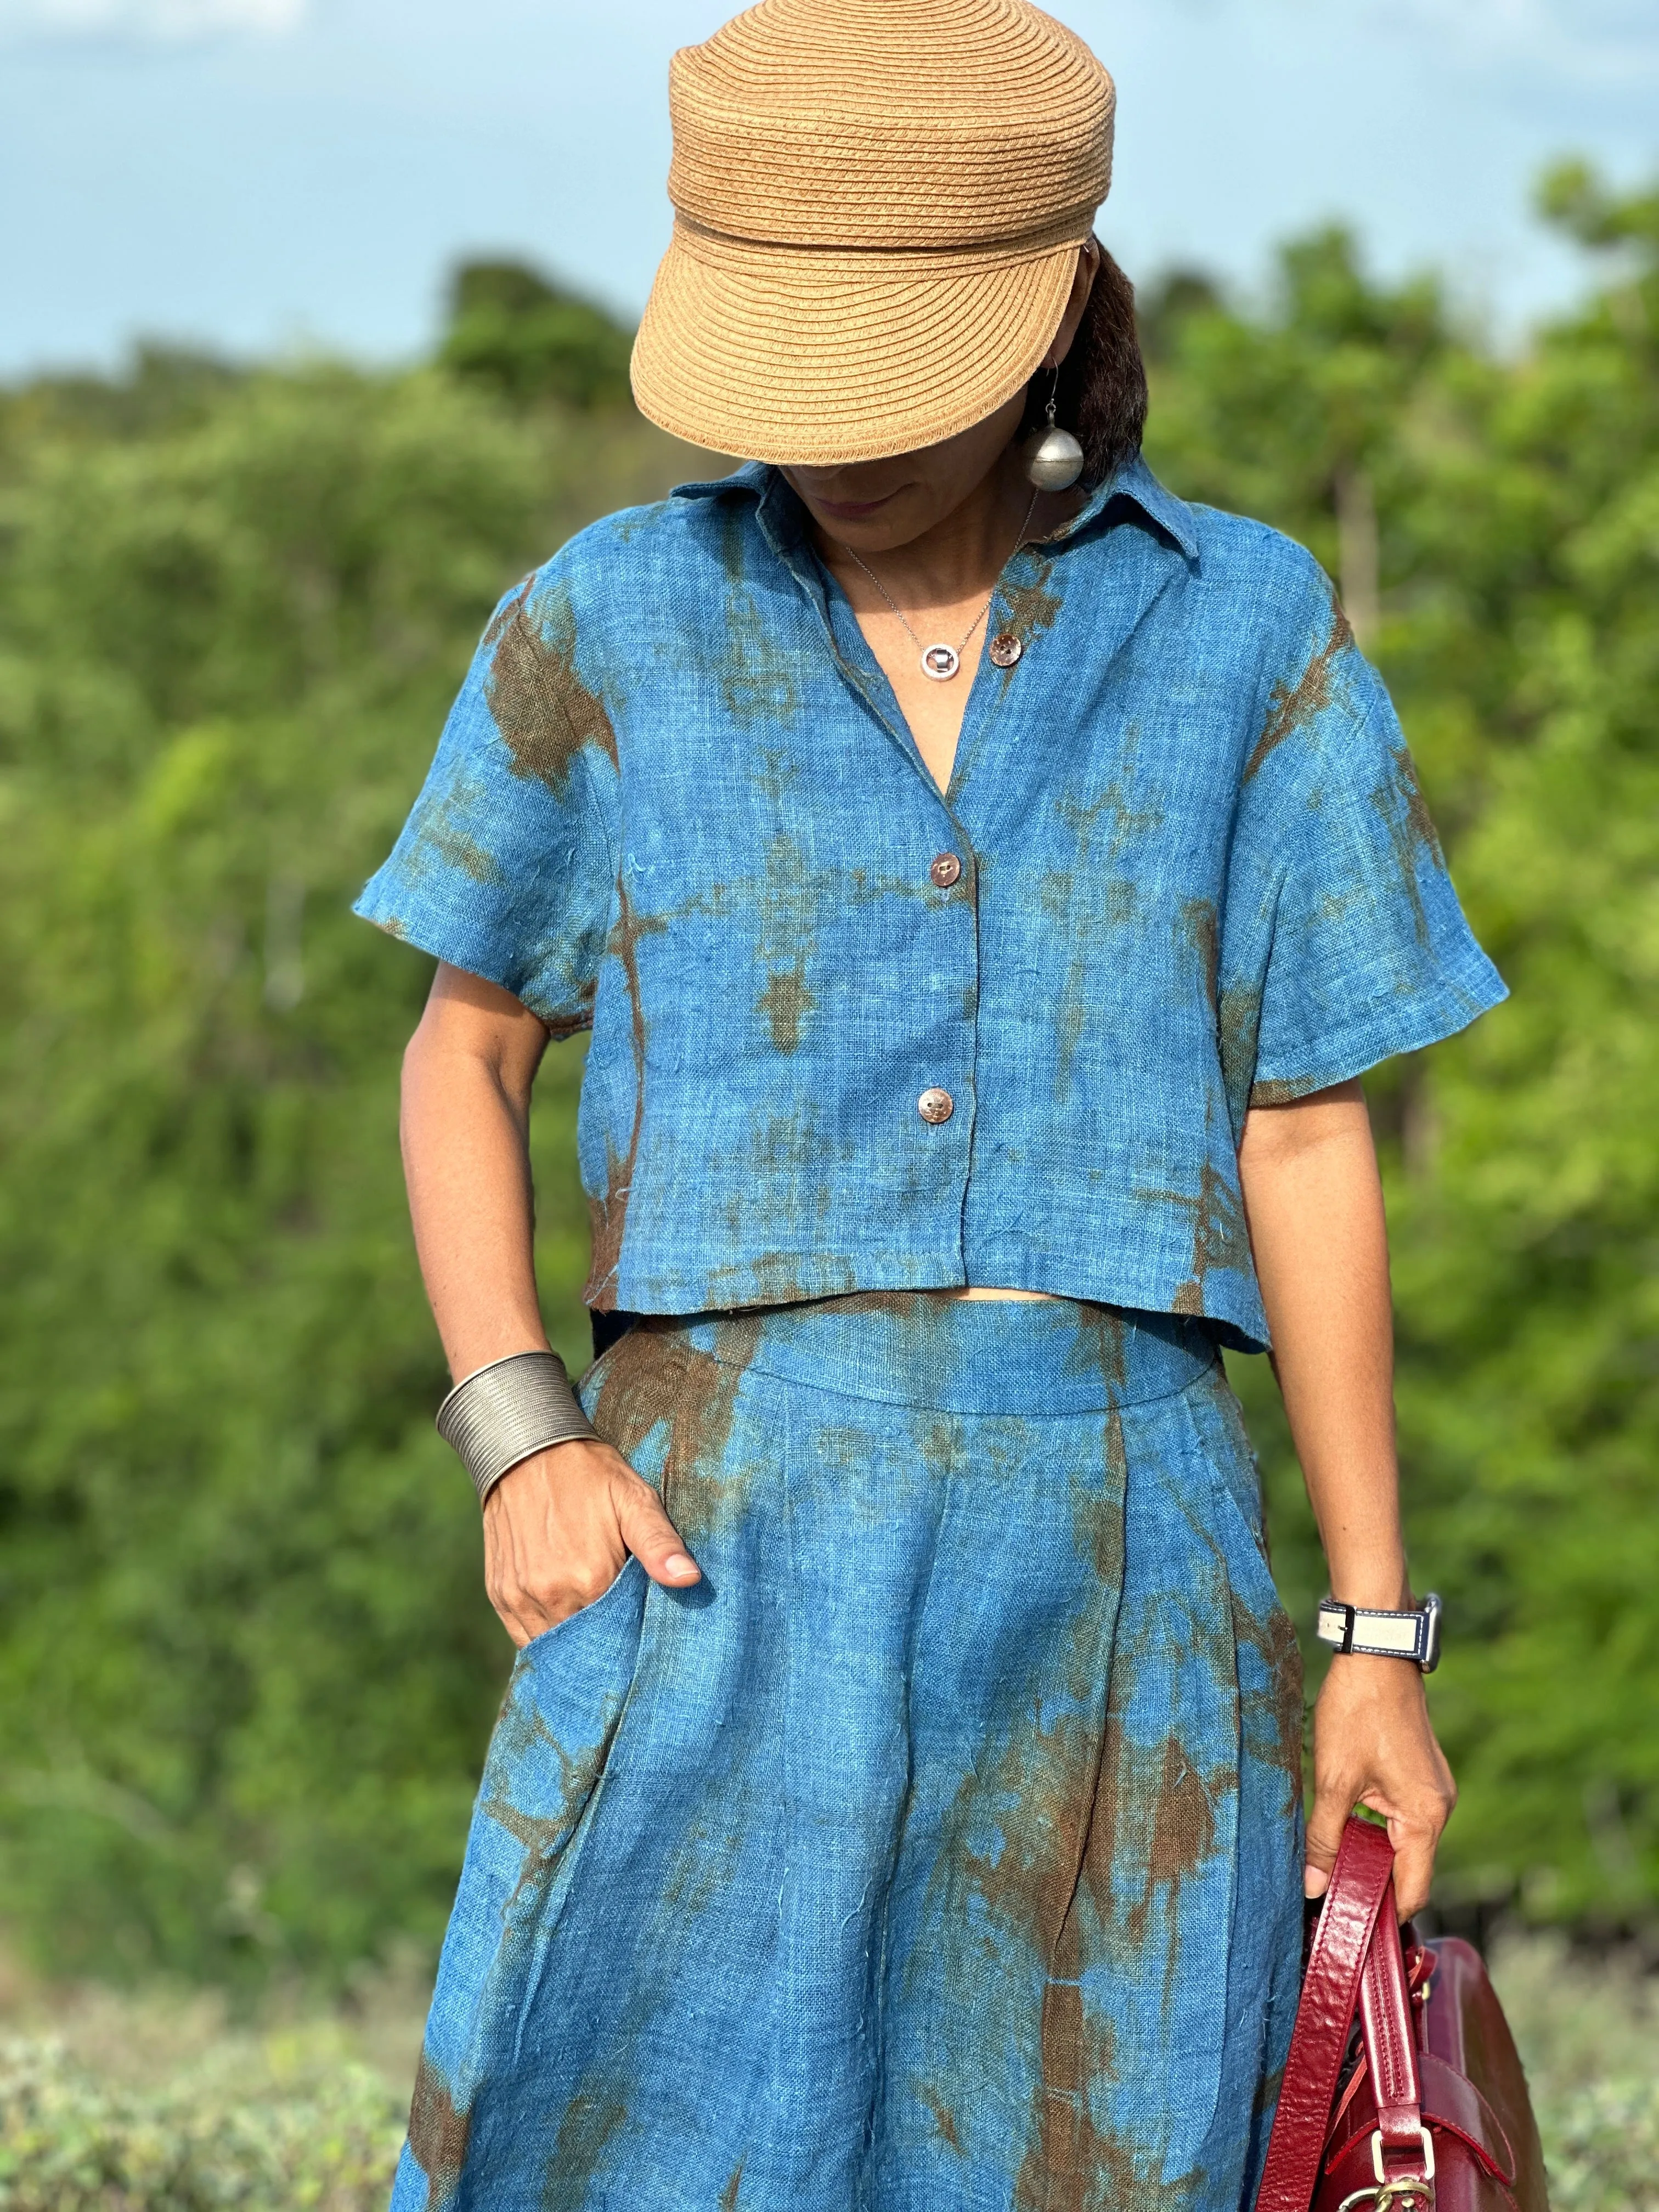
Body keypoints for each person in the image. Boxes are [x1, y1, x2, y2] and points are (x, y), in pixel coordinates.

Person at [356, 2, 1505, 2205]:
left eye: (891, 372)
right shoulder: (607, 625)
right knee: (624, 2150)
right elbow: (464, 1048)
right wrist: (521, 1437)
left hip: (1121, 1562)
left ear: (1056, 309)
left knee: (1097, 2146)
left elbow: (1304, 1138)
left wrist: (1371, 1635)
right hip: (709, 1547)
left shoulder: (1243, 634)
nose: (837, 438)